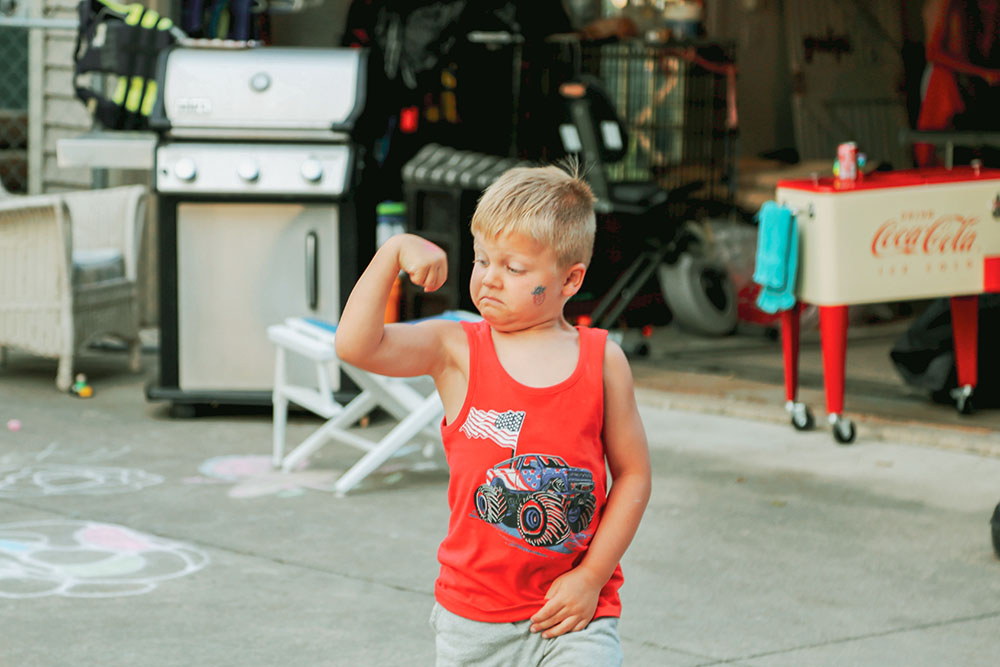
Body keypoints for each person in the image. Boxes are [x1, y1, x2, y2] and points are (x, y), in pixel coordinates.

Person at [335, 163, 651, 665]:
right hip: (474, 619)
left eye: (514, 268)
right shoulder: (455, 349)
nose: (490, 279)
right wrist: (393, 253)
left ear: (570, 279)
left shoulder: (602, 359)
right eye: (483, 260)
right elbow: (355, 345)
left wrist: (591, 577)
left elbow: (633, 475)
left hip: (574, 613)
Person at [915, 0, 1000, 166]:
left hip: (965, 79)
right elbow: (933, 53)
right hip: (944, 79)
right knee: (936, 148)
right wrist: (983, 73)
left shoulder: (969, 6)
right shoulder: (941, 3)